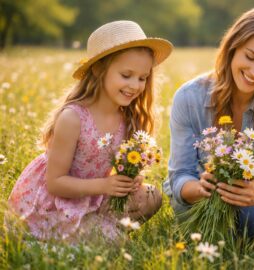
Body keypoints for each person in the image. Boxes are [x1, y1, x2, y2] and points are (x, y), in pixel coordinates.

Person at [7, 20, 172, 242]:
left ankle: (98, 231)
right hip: (55, 205)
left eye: (142, 78)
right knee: (112, 242)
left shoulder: (127, 117)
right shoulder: (73, 118)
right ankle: (61, 240)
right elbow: (55, 183)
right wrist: (104, 185)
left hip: (94, 196)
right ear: (98, 69)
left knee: (152, 197)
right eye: (126, 75)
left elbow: (112, 168)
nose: (135, 85)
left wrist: (129, 179)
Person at [163, 6, 254, 246]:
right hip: (201, 207)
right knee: (205, 232)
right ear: (232, 47)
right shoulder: (190, 98)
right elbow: (179, 176)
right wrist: (199, 188)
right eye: (250, 57)